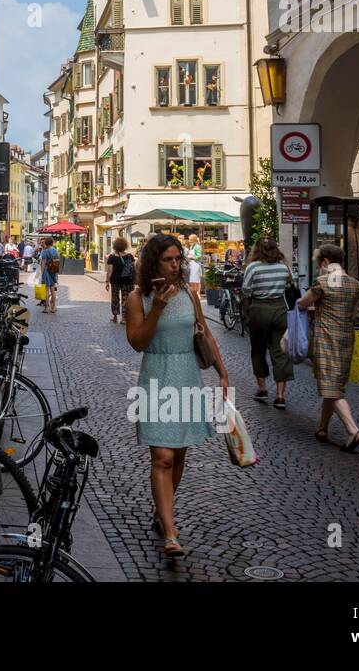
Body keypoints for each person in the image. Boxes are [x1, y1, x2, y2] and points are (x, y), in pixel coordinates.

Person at [125, 234, 228, 558]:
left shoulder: (188, 293)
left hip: (186, 375)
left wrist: (223, 373)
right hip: (156, 376)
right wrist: (157, 307)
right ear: (153, 261)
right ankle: (170, 532)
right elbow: (137, 342)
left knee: (179, 456)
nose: (174, 265)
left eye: (177, 259)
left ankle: (162, 511)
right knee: (163, 457)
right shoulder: (137, 297)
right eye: (168, 259)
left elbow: (205, 333)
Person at [297, 243, 359, 452]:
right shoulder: (355, 284)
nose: (319, 266)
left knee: (332, 388)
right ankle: (322, 428)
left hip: (326, 340)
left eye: (319, 263)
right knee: (334, 384)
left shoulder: (322, 282)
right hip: (347, 339)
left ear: (326, 262)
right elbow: (356, 313)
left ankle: (353, 430)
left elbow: (303, 303)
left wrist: (306, 303)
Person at [242, 237, 294, 408]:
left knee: (258, 350)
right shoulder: (284, 267)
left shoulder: (253, 267)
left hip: (259, 309)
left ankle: (262, 389)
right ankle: (280, 396)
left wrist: (247, 315)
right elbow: (289, 284)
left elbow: (246, 292)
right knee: (280, 352)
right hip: (280, 310)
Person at [105, 237, 136, 324]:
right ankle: (124, 318)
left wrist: (107, 281)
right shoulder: (129, 256)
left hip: (115, 281)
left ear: (115, 246)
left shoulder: (112, 257)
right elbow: (133, 268)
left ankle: (115, 317)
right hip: (127, 281)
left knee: (115, 298)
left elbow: (109, 271)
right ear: (125, 246)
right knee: (126, 299)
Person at [39, 238, 61, 313]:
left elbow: (43, 263)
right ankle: (54, 307)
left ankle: (46, 308)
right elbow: (58, 261)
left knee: (46, 290)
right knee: (53, 290)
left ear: (46, 243)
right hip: (54, 271)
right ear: (52, 243)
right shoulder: (55, 250)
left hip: (47, 271)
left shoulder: (45, 251)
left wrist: (41, 274)